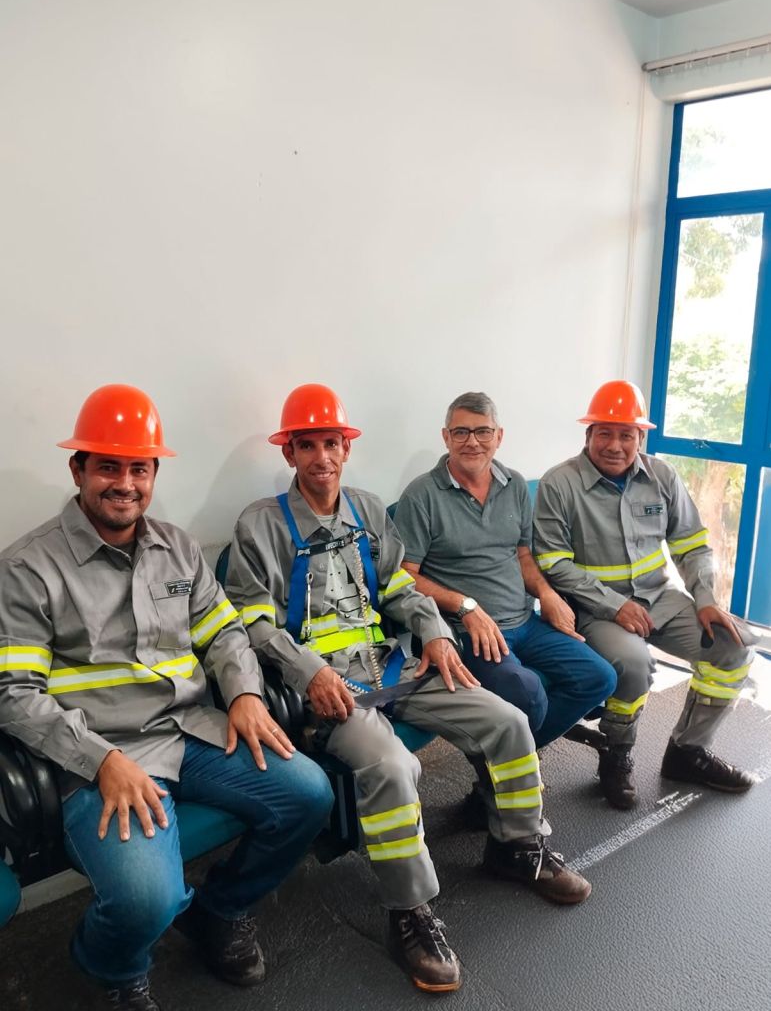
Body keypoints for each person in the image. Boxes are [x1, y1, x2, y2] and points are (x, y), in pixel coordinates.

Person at [225, 383, 593, 996]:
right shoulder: (260, 525)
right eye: (307, 446)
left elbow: (399, 586)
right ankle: (409, 910)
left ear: (347, 449)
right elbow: (254, 623)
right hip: (326, 684)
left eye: (332, 444)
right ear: (289, 453)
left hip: (387, 663)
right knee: (394, 765)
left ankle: (517, 846)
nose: (322, 457)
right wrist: (310, 674)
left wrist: (436, 635)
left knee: (506, 720)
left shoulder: (369, 511)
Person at [0, 384, 333, 1011]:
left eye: (139, 468)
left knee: (309, 794)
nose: (125, 483)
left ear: (153, 474)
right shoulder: (27, 568)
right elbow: (14, 694)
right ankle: (113, 966)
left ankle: (219, 910)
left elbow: (225, 633)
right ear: (78, 470)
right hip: (102, 757)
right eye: (108, 467)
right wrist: (100, 760)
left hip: (191, 730)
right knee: (146, 899)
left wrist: (244, 695)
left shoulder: (177, 548)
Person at [532, 380, 755, 809]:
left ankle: (687, 752)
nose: (615, 445)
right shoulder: (559, 483)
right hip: (596, 609)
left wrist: (706, 598)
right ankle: (617, 754)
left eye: (626, 435)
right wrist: (616, 606)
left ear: (641, 438)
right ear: (589, 434)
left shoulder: (662, 476)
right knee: (633, 665)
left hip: (660, 599)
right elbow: (554, 563)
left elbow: (692, 544)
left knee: (733, 647)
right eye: (605, 433)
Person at [394, 392, 616, 762]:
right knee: (527, 693)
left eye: (483, 431)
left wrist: (547, 593)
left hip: (525, 622)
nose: (472, 442)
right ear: (446, 437)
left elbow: (523, 554)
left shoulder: (513, 485)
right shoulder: (421, 495)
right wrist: (465, 606)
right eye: (461, 432)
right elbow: (405, 576)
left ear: (499, 436)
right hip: (466, 632)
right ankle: (514, 763)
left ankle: (505, 761)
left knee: (600, 677)